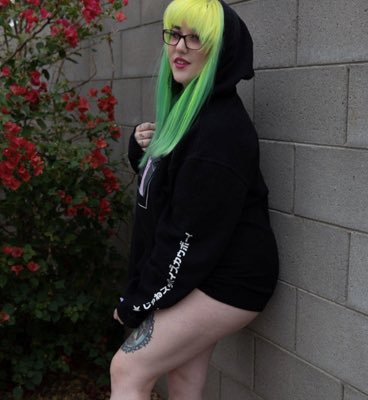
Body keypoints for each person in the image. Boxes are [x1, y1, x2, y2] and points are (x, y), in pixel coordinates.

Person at [110, 0, 279, 399]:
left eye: (195, 37)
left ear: (219, 49)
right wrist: (143, 153)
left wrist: (137, 301)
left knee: (128, 368)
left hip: (227, 279)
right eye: (174, 34)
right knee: (184, 379)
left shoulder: (217, 132)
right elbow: (171, 193)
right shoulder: (189, 112)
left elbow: (184, 236)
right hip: (204, 267)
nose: (180, 47)